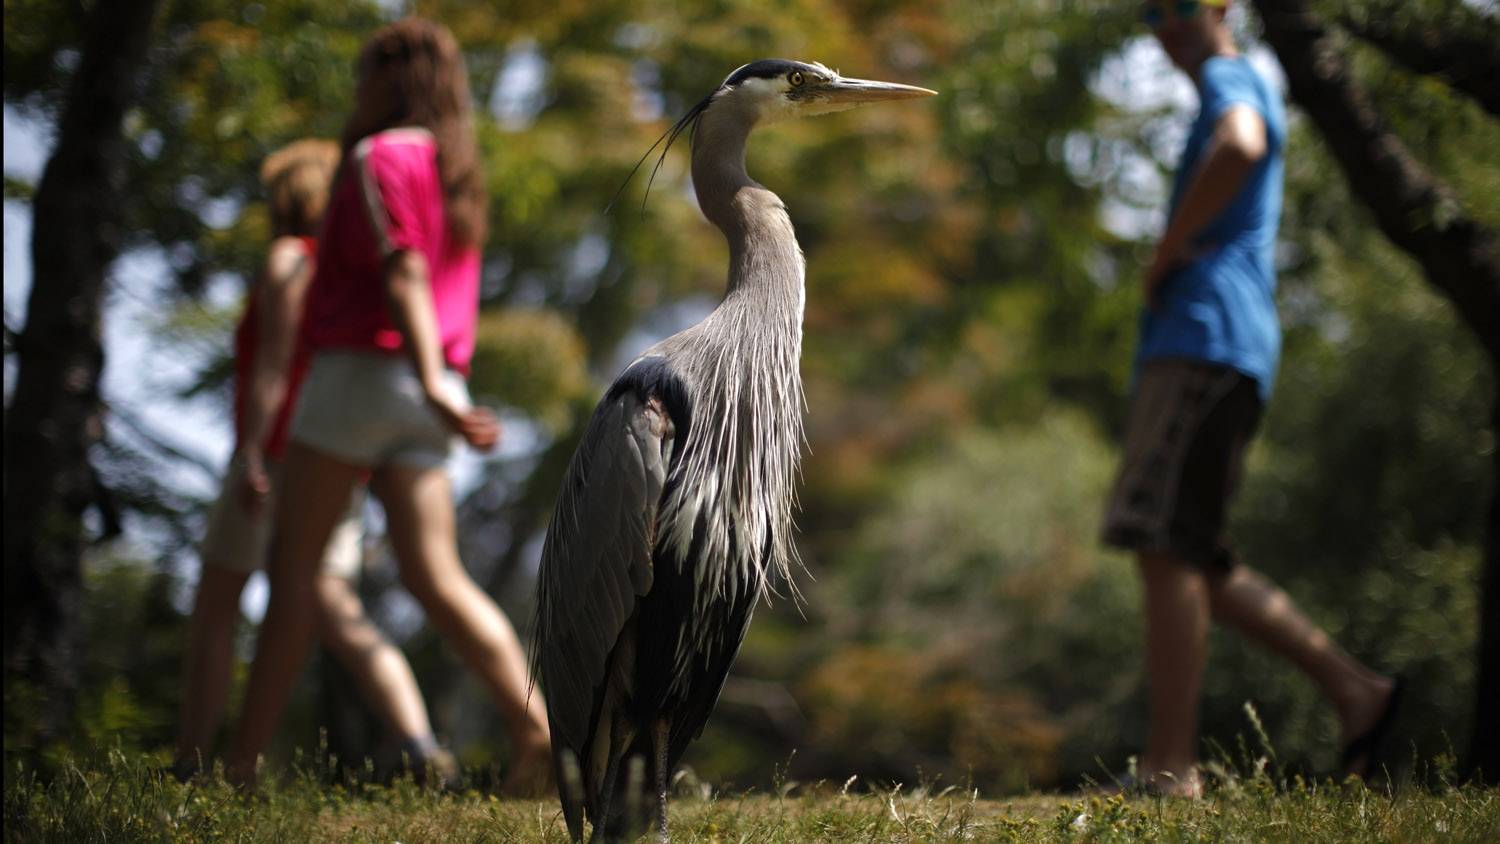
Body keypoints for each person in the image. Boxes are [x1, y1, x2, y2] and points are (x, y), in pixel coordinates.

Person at [224, 18, 550, 793]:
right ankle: (537, 729)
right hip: (429, 391)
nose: (356, 91)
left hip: (368, 374)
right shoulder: (457, 170)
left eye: (364, 75)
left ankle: (236, 770)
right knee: (437, 576)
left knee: (293, 571)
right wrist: (439, 386)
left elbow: (401, 269)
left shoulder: (379, 156)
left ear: (386, 81)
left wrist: (427, 373)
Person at [1101, 0, 1400, 796]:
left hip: (1203, 338)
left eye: (1179, 5)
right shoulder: (1231, 80)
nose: (1165, 24)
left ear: (1223, 5)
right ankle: (1356, 690)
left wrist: (1167, 251)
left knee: (1163, 544)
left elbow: (1241, 145)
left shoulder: (1233, 78)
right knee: (1193, 552)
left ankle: (1170, 768)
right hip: (1219, 344)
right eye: (1150, 12)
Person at [175, 139, 454, 786]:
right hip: (337, 459)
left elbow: (272, 366)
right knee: (335, 608)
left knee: (218, 606)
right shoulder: (343, 276)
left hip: (277, 456)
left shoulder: (289, 261)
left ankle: (190, 764)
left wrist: (250, 450)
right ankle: (420, 744)